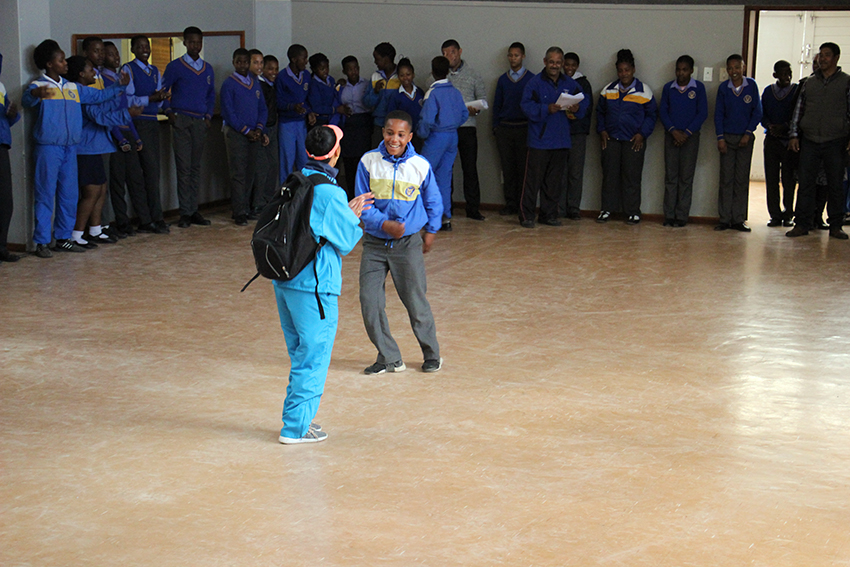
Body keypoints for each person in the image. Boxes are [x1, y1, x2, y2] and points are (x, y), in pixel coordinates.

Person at [275, 124, 374, 444]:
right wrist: (351, 217)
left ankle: (300, 418)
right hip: (314, 286)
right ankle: (295, 428)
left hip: (286, 280)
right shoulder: (331, 192)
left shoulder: (295, 179)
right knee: (313, 356)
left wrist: (342, 214)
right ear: (335, 153)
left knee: (301, 353)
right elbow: (344, 241)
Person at [356, 110, 443, 375]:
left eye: (401, 134)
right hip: (374, 244)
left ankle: (432, 354)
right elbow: (362, 203)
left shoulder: (420, 165)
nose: (395, 139)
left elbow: (433, 200)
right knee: (370, 302)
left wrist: (431, 230)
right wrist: (384, 224)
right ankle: (389, 357)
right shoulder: (368, 162)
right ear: (383, 133)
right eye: (389, 132)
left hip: (407, 245)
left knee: (415, 301)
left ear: (409, 137)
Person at [22, 40, 126, 257]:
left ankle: (63, 237)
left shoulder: (72, 88)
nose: (65, 64)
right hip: (49, 148)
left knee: (69, 195)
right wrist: (34, 95)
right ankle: (42, 241)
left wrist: (119, 87)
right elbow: (28, 100)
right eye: (61, 61)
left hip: (71, 148)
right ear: (50, 64)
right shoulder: (42, 88)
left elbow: (97, 96)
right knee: (45, 194)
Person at [64, 56, 138, 248]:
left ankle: (95, 229)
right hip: (85, 149)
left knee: (101, 189)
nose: (94, 73)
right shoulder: (81, 95)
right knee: (91, 192)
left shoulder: (89, 92)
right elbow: (99, 116)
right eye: (90, 70)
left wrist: (120, 94)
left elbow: (105, 103)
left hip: (95, 148)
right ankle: (76, 234)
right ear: (80, 74)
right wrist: (126, 113)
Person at [518, 46, 589, 228]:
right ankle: (526, 215)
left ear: (562, 64)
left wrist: (577, 108)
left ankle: (548, 215)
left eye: (558, 62)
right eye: (551, 62)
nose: (555, 66)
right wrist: (545, 108)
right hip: (539, 140)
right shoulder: (534, 83)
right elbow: (525, 105)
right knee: (532, 181)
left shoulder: (570, 83)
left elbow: (584, 100)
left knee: (554, 182)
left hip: (561, 139)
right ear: (545, 62)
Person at [786, 42, 850, 240]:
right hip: (810, 141)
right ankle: (801, 224)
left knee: (835, 185)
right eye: (820, 55)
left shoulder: (846, 82)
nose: (822, 59)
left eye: (827, 55)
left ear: (836, 58)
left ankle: (836, 226)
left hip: (835, 141)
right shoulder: (809, 83)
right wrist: (794, 135)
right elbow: (799, 110)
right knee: (805, 183)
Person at [162, 26, 215, 229]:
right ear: (184, 43)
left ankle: (194, 210)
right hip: (182, 120)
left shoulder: (207, 68)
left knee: (195, 167)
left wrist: (209, 115)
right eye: (191, 42)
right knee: (183, 168)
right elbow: (164, 91)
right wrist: (169, 112)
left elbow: (211, 94)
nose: (195, 46)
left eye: (198, 42)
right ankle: (185, 211)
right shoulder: (175, 66)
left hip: (200, 121)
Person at [596, 49, 657, 225]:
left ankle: (632, 212)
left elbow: (652, 116)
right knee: (609, 176)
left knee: (632, 176)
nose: (624, 74)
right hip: (611, 139)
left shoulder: (644, 91)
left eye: (627, 70)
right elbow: (599, 112)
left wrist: (642, 134)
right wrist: (602, 130)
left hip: (633, 141)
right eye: (621, 70)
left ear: (633, 69)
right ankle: (606, 209)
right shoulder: (608, 90)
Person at [122, 35, 170, 234]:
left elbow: (158, 101)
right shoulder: (128, 69)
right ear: (133, 49)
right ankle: (144, 219)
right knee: (136, 174)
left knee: (153, 172)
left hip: (151, 123)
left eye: (146, 46)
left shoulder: (154, 71)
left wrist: (161, 99)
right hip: (135, 123)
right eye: (140, 46)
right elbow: (129, 99)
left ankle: (156, 217)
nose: (144, 49)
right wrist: (151, 98)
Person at [417, 56, 468, 232]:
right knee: (444, 177)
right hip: (452, 136)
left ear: (432, 72)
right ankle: (445, 217)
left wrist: (422, 134)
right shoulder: (455, 92)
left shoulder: (432, 93)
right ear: (448, 71)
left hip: (437, 137)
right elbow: (464, 114)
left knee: (422, 175)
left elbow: (427, 120)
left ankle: (423, 216)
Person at [437, 39, 487, 221]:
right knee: (445, 169)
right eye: (444, 53)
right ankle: (445, 208)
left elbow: (482, 99)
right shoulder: (438, 75)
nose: (448, 56)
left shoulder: (473, 75)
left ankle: (473, 209)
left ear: (460, 52)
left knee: (470, 169)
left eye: (451, 52)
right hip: (446, 128)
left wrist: (477, 108)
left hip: (467, 127)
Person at [713, 53, 762, 232]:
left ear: (743, 67)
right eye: (730, 68)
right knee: (726, 179)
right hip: (727, 138)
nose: (734, 71)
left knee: (741, 180)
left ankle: (738, 219)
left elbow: (757, 111)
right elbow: (718, 115)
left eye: (737, 67)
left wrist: (748, 134)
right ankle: (724, 219)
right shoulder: (723, 89)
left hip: (745, 139)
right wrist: (720, 138)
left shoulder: (752, 86)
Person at [658, 54, 708, 227]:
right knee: (671, 177)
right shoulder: (668, 88)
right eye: (678, 69)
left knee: (686, 178)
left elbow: (702, 113)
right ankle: (669, 215)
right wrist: (674, 132)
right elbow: (663, 112)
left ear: (691, 71)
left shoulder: (699, 88)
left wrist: (686, 133)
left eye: (685, 69)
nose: (681, 73)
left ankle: (681, 216)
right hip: (671, 136)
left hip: (690, 138)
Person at [220, 48, 267, 226]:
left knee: (250, 172)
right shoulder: (229, 84)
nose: (242, 65)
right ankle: (238, 210)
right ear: (234, 62)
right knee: (238, 173)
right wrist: (245, 130)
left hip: (254, 134)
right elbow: (228, 112)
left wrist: (259, 129)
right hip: (237, 134)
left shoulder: (255, 83)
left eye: (245, 62)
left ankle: (246, 207)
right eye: (238, 62)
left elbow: (262, 108)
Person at [102, 41, 143, 239]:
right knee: (117, 181)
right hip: (114, 135)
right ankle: (121, 220)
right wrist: (120, 138)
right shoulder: (103, 80)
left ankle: (143, 219)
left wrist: (135, 136)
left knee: (135, 178)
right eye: (110, 54)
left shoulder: (121, 80)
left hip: (127, 131)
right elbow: (109, 115)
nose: (116, 58)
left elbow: (127, 113)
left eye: (117, 53)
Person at [492, 42, 532, 216]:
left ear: (522, 56)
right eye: (510, 55)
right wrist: (496, 127)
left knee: (523, 169)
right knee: (507, 169)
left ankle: (523, 204)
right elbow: (496, 105)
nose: (513, 58)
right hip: (505, 129)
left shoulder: (532, 79)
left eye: (516, 55)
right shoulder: (502, 80)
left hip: (524, 129)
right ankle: (510, 203)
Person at [760, 60, 798, 228]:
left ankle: (788, 213)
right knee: (772, 178)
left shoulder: (796, 91)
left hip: (789, 142)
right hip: (772, 141)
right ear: (775, 75)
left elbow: (799, 113)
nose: (787, 77)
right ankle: (775, 215)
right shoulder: (768, 92)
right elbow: (762, 113)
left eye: (789, 73)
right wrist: (770, 126)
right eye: (783, 74)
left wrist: (785, 127)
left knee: (789, 180)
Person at [560, 51, 594, 220]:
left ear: (577, 67)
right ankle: (559, 208)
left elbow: (588, 108)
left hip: (578, 133)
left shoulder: (584, 84)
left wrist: (578, 109)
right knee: (560, 172)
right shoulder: (557, 81)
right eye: (567, 65)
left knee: (575, 172)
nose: (569, 68)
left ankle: (573, 207)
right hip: (560, 132)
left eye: (573, 65)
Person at [275, 44, 315, 183]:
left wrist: (309, 112)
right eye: (303, 58)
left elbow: (308, 98)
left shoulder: (306, 76)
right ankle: (284, 196)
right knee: (287, 161)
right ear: (293, 59)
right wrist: (292, 107)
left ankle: (303, 194)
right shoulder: (282, 77)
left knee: (303, 160)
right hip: (287, 124)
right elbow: (277, 102)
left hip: (301, 123)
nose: (306, 61)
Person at [337, 55, 373, 199]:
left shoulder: (366, 84)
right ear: (344, 71)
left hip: (363, 123)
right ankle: (352, 195)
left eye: (355, 68)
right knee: (348, 160)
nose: (353, 72)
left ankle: (364, 195)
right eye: (350, 69)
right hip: (348, 124)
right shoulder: (341, 86)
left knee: (362, 160)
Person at [0, 51, 21, 263]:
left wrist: (12, 114)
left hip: (2, 145)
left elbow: (7, 117)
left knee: (5, 200)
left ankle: (2, 247)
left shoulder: (0, 87)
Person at [252, 54, 279, 214]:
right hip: (263, 130)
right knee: (262, 167)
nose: (273, 72)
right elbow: (261, 111)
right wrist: (262, 130)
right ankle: (258, 202)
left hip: (273, 127)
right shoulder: (260, 86)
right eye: (269, 68)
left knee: (273, 165)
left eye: (276, 69)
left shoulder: (271, 86)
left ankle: (268, 199)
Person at [363, 42, 399, 145]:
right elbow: (366, 102)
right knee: (377, 154)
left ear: (386, 59)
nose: (375, 62)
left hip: (397, 124)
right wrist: (375, 92)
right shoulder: (375, 76)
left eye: (377, 58)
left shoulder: (401, 75)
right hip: (379, 124)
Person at [386, 58, 424, 137]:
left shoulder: (420, 92)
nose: (405, 78)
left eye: (408, 74)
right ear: (398, 77)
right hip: (403, 134)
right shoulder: (395, 96)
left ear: (413, 75)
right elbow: (391, 116)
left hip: (419, 133)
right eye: (402, 75)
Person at [307, 52, 340, 128]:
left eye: (327, 67)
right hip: (319, 120)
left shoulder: (331, 80)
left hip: (332, 118)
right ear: (314, 69)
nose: (325, 71)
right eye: (322, 69)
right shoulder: (313, 84)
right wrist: (335, 109)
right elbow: (316, 107)